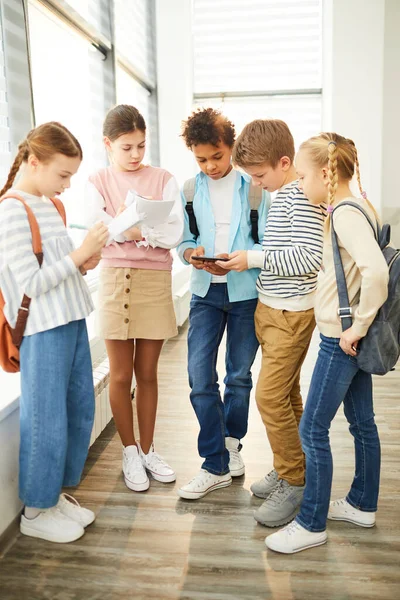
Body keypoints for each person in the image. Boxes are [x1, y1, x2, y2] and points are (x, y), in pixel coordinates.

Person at [265, 132, 389, 553]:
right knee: (361, 423)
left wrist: (356, 326)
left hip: (342, 340)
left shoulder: (344, 214)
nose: (299, 184)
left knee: (312, 429)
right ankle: (361, 504)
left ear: (325, 173)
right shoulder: (361, 206)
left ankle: (311, 522)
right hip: (351, 337)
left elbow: (376, 272)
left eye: (302, 176)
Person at [0, 122, 109, 543]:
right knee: (46, 419)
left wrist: (82, 263)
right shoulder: (11, 208)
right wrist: (78, 254)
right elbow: (30, 283)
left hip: (72, 318)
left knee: (78, 409)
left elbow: (56, 269)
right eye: (62, 175)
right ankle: (35, 509)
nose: (67, 185)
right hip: (43, 329)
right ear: (33, 162)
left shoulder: (49, 204)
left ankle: (52, 496)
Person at [220, 119, 324, 526]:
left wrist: (254, 258)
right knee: (288, 396)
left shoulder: (302, 197)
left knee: (269, 398)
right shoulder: (283, 194)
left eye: (260, 175)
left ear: (285, 162)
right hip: (271, 308)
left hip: (290, 314)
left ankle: (295, 482)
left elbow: (307, 259)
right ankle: (292, 467)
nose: (256, 185)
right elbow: (283, 249)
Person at [84, 104, 184, 493]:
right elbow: (100, 231)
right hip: (113, 281)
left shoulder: (164, 179)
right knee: (120, 374)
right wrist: (141, 229)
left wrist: (126, 225)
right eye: (126, 147)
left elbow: (174, 233)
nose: (136, 154)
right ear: (108, 144)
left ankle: (148, 448)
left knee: (147, 374)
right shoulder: (96, 180)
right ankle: (129, 452)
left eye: (141, 145)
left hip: (154, 281)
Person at [176, 108, 269, 500]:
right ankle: (213, 461)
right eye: (202, 159)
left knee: (239, 376)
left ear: (230, 147)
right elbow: (182, 242)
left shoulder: (255, 189)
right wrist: (190, 254)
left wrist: (243, 258)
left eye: (217, 156)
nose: (211, 166)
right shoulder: (189, 191)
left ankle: (229, 446)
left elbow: (267, 242)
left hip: (247, 292)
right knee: (200, 377)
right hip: (204, 293)